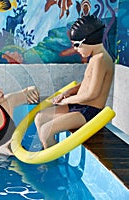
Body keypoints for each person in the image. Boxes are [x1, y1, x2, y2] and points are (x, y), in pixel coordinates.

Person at [35, 15, 114, 149]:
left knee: (46, 130)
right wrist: (67, 93)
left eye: (77, 45)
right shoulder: (95, 57)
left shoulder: (101, 59)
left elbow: (91, 94)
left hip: (89, 111)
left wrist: (66, 101)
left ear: (89, 40)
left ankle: (51, 163)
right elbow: (86, 84)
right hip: (79, 106)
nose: (76, 49)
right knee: (40, 117)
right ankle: (47, 150)